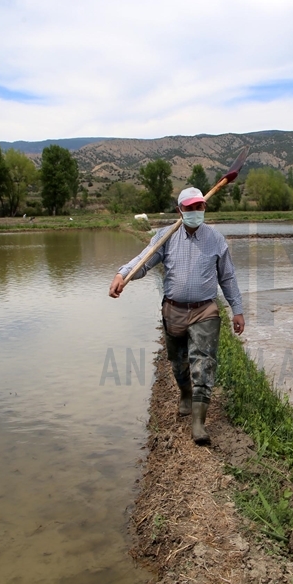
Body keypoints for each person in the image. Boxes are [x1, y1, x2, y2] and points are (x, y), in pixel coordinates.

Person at [109, 187, 245, 445]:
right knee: (178, 362)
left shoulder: (216, 239)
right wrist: (122, 275)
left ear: (204, 208)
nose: (195, 212)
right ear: (179, 210)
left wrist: (237, 309)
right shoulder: (165, 237)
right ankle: (184, 392)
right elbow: (144, 261)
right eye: (190, 208)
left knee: (203, 364)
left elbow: (227, 277)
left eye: (199, 207)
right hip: (174, 310)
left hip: (205, 310)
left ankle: (198, 424)